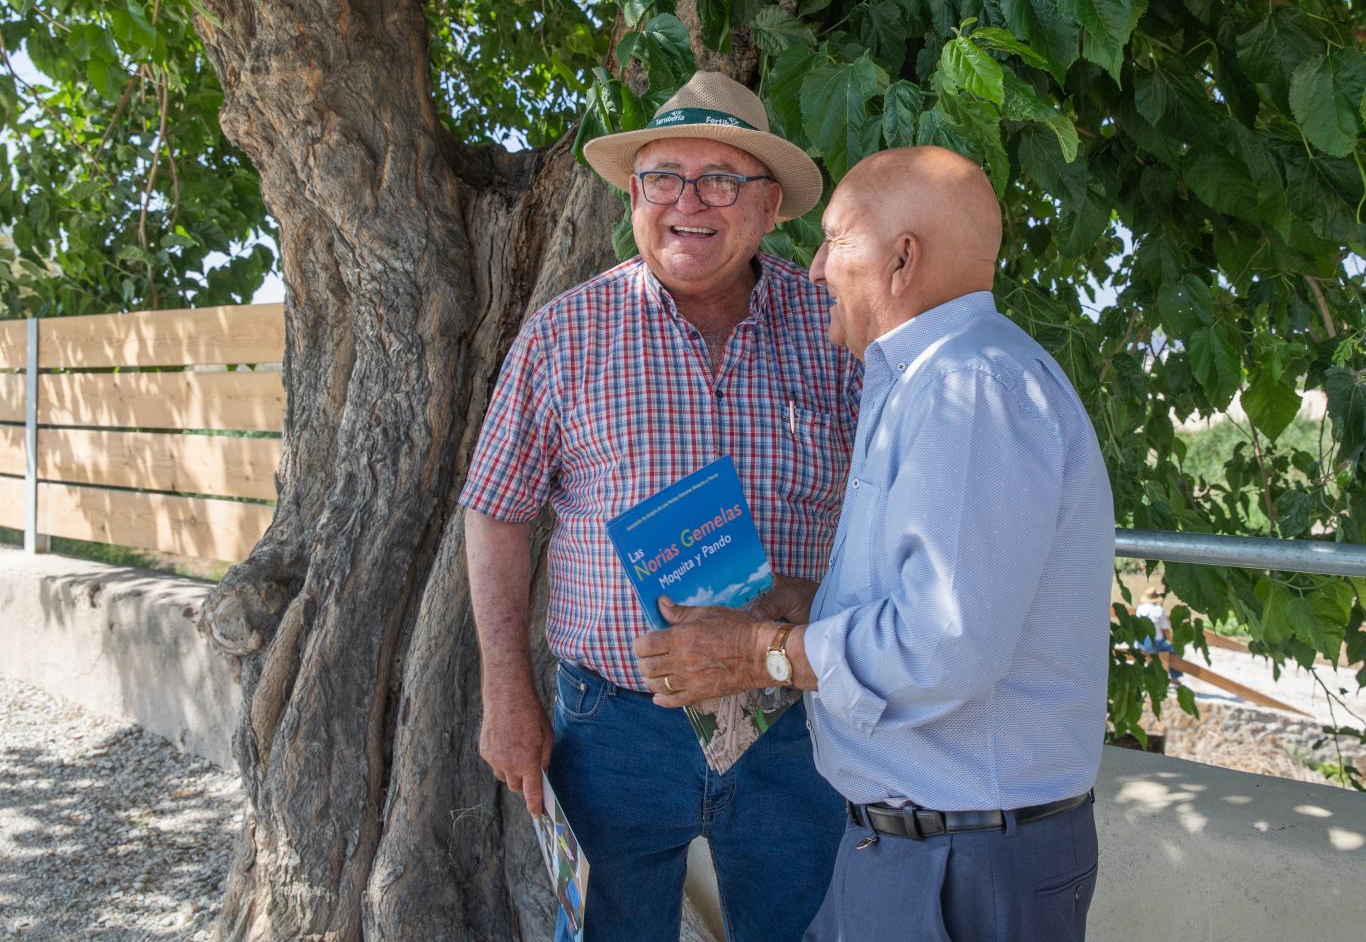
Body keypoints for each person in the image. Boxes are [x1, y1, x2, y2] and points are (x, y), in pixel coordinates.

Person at [634, 145, 1114, 942]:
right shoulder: (928, 381)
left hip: (962, 862)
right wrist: (812, 602)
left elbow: (942, 645)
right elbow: (936, 602)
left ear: (902, 259)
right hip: (915, 848)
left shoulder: (970, 388)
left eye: (834, 240)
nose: (815, 267)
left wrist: (760, 652)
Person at [459, 71, 860, 941]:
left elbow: (894, 503)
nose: (688, 202)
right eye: (663, 178)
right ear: (635, 197)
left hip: (795, 717)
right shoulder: (565, 333)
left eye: (720, 180)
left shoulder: (835, 326)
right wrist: (507, 692)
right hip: (613, 729)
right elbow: (495, 509)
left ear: (768, 206)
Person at [1135, 586, 1182, 686]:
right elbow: (1166, 630)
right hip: (1154, 643)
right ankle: (1175, 677)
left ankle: (1142, 676)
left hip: (1140, 643)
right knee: (1175, 650)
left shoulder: (1139, 609)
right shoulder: (1158, 610)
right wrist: (1172, 641)